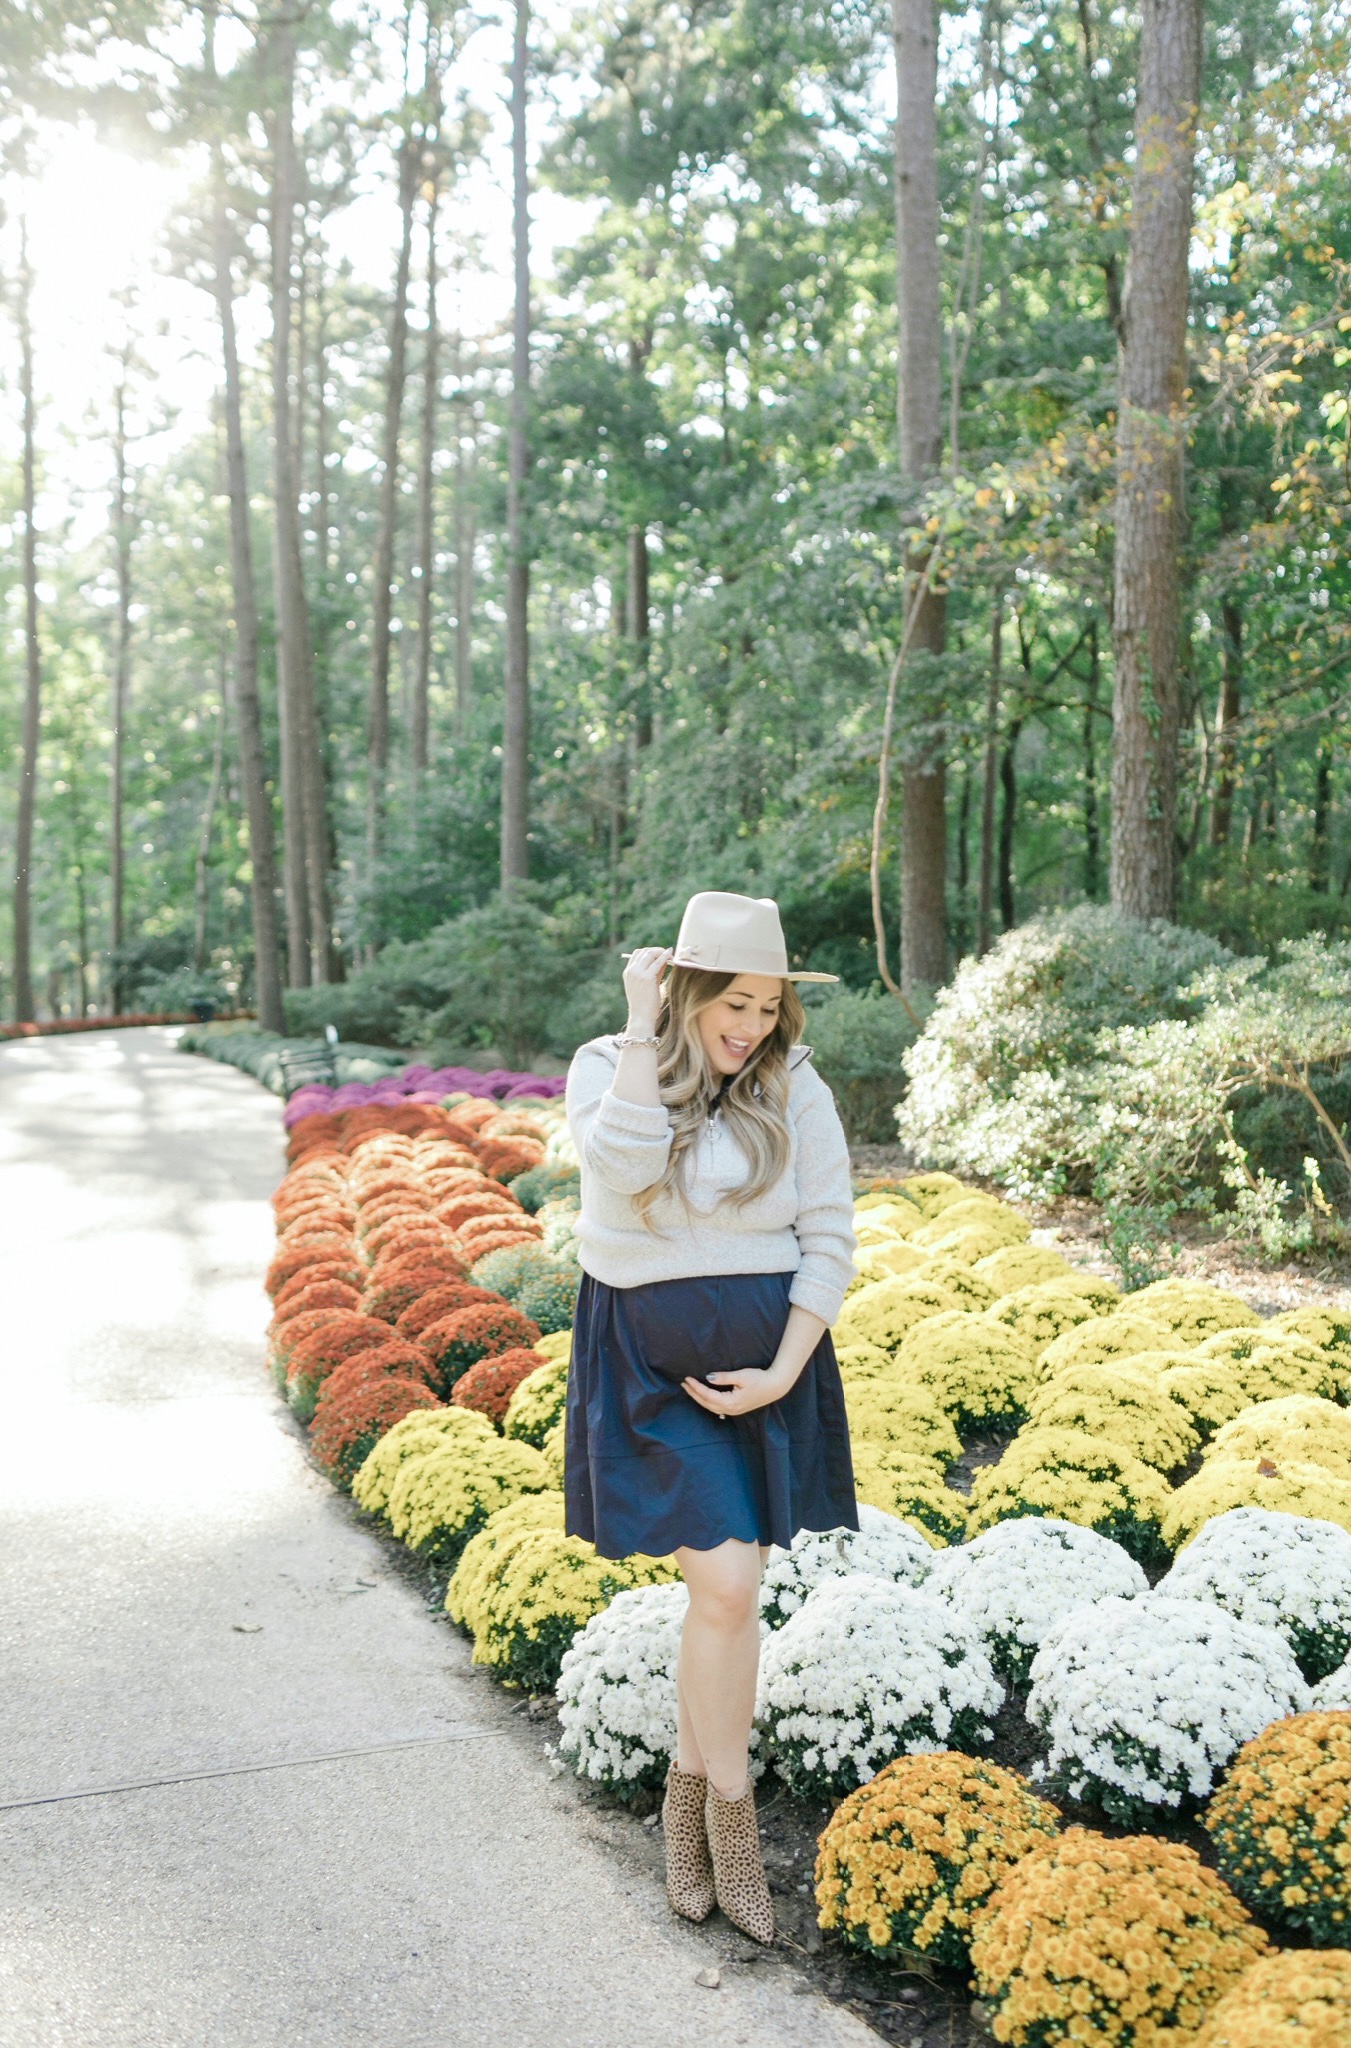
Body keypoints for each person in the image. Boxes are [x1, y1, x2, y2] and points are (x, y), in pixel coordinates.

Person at [564, 890, 858, 1945]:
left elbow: (827, 1231)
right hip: (645, 1366)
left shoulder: (795, 1081)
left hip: (769, 1365)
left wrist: (785, 1369)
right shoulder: (608, 1066)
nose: (752, 1025)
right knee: (727, 1583)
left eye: (770, 1005)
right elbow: (626, 1167)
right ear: (685, 990)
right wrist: (646, 1030)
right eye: (733, 1001)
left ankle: (687, 1799)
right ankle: (735, 1822)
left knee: (729, 1599)